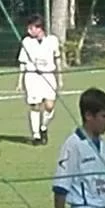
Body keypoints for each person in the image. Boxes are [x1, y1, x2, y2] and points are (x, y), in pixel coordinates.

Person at [17, 14, 63, 145]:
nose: (29, 31)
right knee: (35, 105)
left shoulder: (52, 40)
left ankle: (43, 127)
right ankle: (36, 135)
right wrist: (20, 81)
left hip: (48, 75)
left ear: (39, 28)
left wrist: (60, 78)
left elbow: (57, 58)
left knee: (49, 105)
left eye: (32, 28)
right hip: (32, 77)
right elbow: (23, 62)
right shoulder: (27, 42)